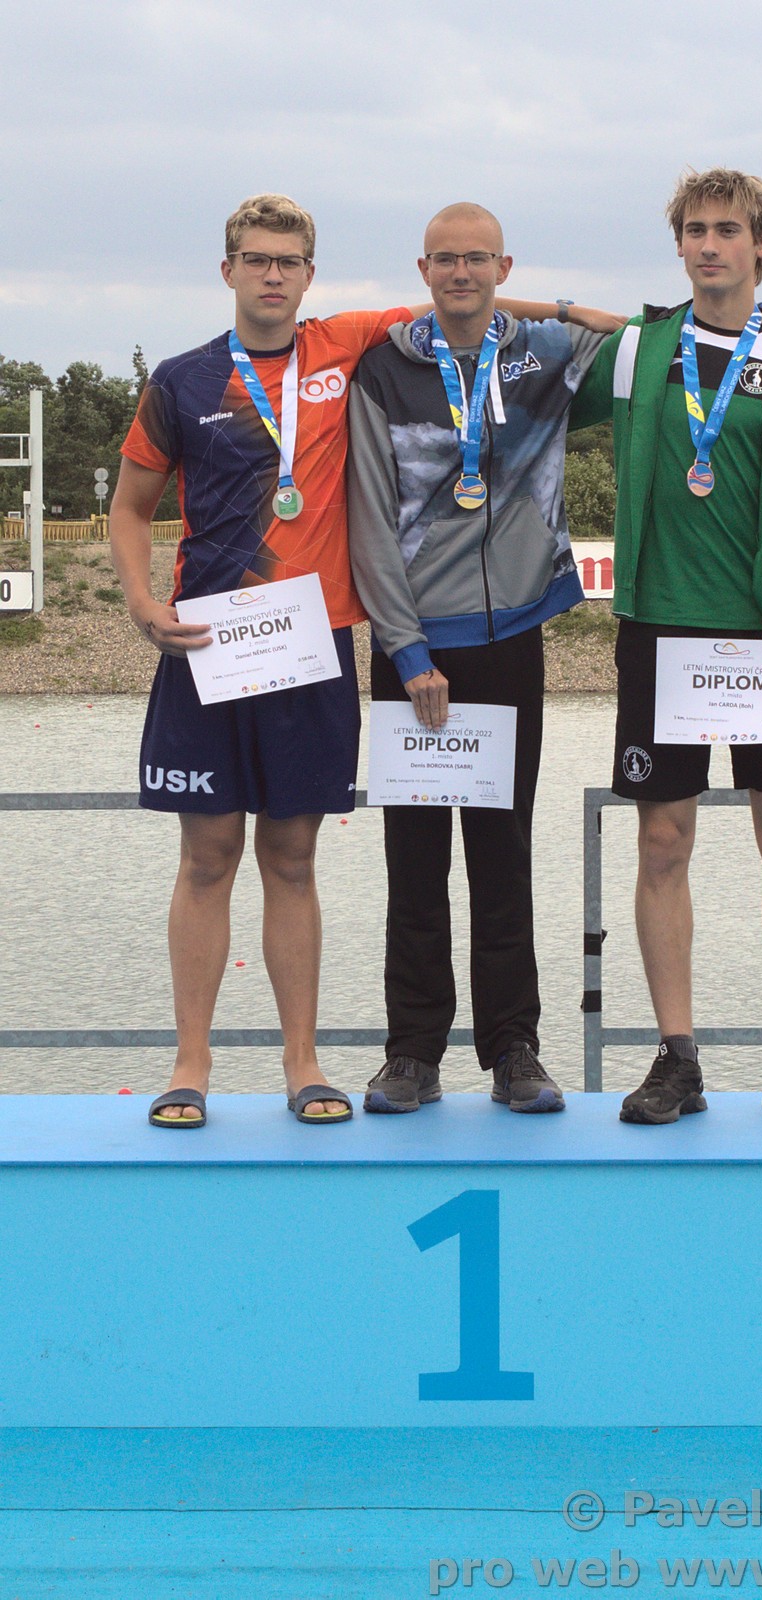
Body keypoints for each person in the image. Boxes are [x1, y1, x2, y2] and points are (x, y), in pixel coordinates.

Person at [110, 193, 623, 1130]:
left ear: (311, 275)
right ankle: (203, 1066)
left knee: (307, 857)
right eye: (256, 259)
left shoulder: (343, 344)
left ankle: (336, 1063)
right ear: (228, 270)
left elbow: (471, 305)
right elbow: (131, 503)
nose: (272, 274)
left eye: (288, 261)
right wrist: (143, 605)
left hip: (326, 649)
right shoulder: (190, 379)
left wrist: (565, 308)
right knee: (213, 857)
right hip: (225, 648)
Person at [346, 202, 762, 1117]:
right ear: (422, 268)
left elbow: (652, 331)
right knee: (413, 863)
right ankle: (410, 1052)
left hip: (512, 639)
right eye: (444, 260)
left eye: (478, 259)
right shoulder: (385, 367)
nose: (460, 273)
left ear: (504, 265)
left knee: (505, 856)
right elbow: (367, 517)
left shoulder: (546, 354)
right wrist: (404, 648)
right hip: (414, 648)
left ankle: (513, 1048)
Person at [569, 167, 762, 1125]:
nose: (709, 244)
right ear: (679, 245)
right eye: (695, 229)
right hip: (661, 628)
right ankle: (676, 1058)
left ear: (761, 246)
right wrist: (553, 306)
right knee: (663, 841)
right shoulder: (640, 350)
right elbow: (520, 356)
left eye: (728, 230)